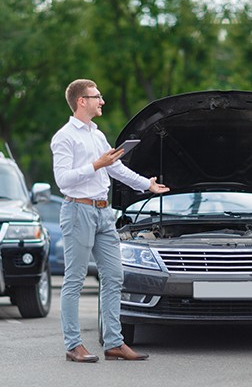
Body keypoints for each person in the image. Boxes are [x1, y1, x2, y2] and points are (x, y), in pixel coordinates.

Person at [51, 79, 170, 363]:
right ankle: (73, 345)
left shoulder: (96, 134)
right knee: (75, 280)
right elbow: (63, 181)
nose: (101, 101)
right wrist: (96, 165)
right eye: (97, 97)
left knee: (115, 277)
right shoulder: (64, 136)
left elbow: (116, 168)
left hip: (105, 213)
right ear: (82, 101)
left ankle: (115, 343)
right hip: (79, 211)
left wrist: (147, 185)